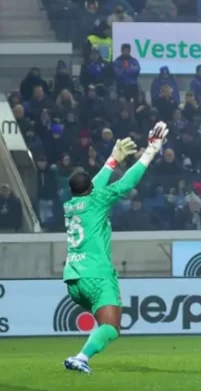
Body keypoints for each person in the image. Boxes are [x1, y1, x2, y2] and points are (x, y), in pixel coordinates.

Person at [63, 122, 169, 374]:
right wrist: (151, 151)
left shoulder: (70, 205)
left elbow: (93, 186)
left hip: (73, 279)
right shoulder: (97, 200)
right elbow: (127, 183)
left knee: (104, 323)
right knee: (111, 327)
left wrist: (112, 160)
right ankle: (81, 358)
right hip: (97, 275)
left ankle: (83, 356)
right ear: (90, 189)